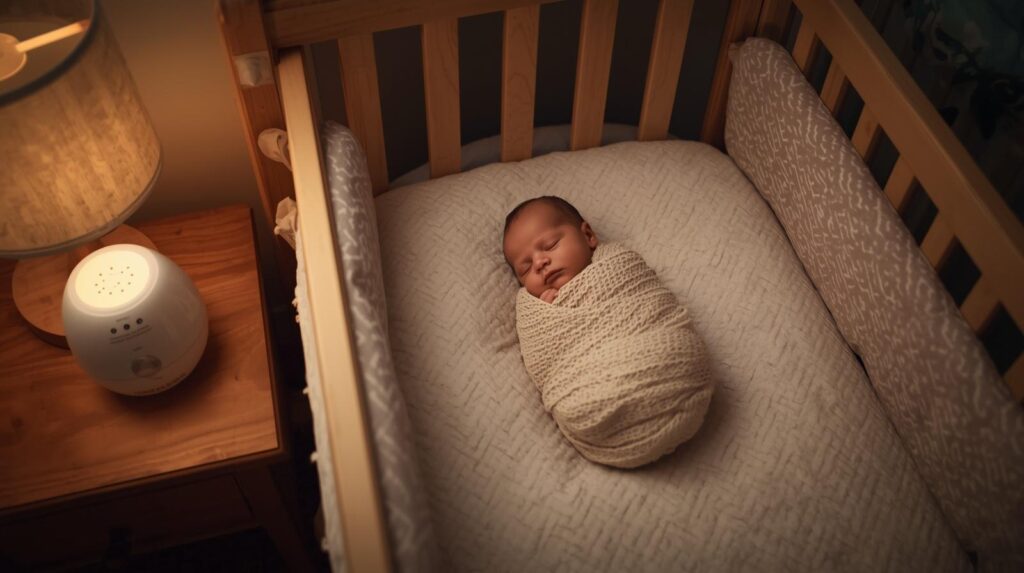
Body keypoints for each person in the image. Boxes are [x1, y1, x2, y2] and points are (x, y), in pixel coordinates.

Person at [502, 196, 598, 303]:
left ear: (587, 235)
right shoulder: (533, 310)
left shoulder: (614, 261)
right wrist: (546, 316)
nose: (539, 263)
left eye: (551, 245)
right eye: (526, 268)